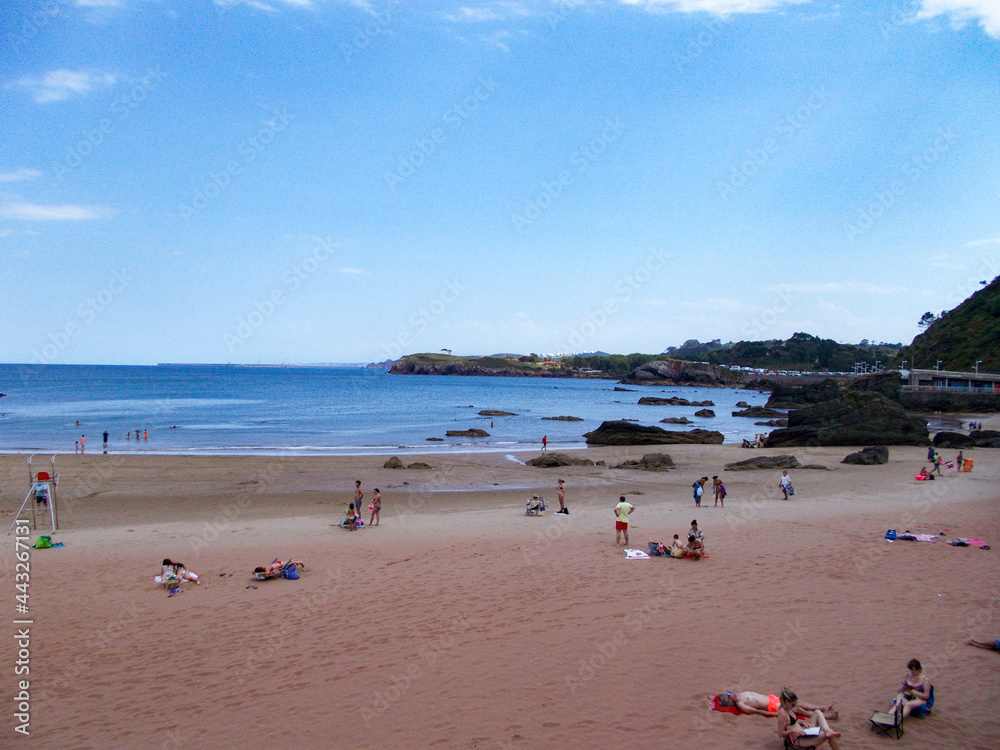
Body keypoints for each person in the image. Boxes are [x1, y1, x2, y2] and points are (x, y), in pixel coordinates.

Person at [727, 690, 837, 718]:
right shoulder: (741, 704)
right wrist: (775, 715)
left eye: (729, 692)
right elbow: (757, 711)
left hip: (772, 699)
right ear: (730, 701)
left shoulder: (741, 694)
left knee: (797, 702)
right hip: (773, 706)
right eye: (729, 695)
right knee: (798, 710)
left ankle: (823, 708)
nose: (731, 693)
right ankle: (827, 717)